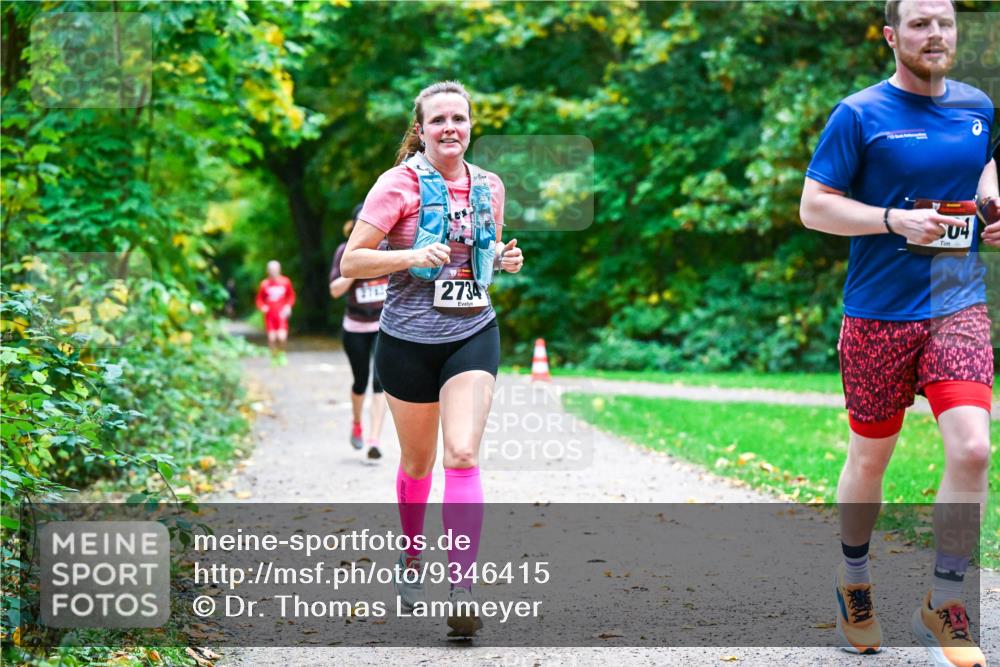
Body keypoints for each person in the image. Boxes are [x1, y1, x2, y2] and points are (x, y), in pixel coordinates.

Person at [799, 1, 998, 664]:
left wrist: (993, 212)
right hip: (878, 315)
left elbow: (986, 169)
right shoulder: (859, 114)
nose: (934, 33)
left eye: (943, 21)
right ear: (892, 36)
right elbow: (814, 206)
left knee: (973, 448)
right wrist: (891, 220)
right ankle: (854, 579)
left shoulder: (978, 105)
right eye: (919, 22)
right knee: (870, 460)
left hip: (956, 304)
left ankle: (944, 600)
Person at [341, 80, 524, 638]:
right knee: (417, 463)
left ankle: (462, 587)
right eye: (439, 119)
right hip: (407, 341)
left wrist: (505, 258)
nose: (450, 128)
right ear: (421, 129)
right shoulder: (396, 185)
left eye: (460, 119)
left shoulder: (490, 186)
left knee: (463, 454)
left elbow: (483, 252)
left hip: (473, 332)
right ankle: (413, 554)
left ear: (471, 127)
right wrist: (411, 254)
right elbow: (352, 262)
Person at [329, 204, 388, 460]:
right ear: (354, 227)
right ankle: (356, 423)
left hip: (383, 325)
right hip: (355, 326)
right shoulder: (344, 251)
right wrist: (355, 266)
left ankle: (374, 439)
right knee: (360, 381)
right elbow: (334, 290)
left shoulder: (388, 248)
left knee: (380, 381)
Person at [255, 260, 296, 366]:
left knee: (281, 337)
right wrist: (263, 307)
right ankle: (274, 357)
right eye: (271, 270)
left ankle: (282, 354)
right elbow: (259, 300)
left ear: (279, 270)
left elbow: (291, 297)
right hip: (270, 316)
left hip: (281, 314)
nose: (273, 272)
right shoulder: (264, 284)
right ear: (268, 271)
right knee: (272, 338)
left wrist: (288, 306)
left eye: (275, 269)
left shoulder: (285, 282)